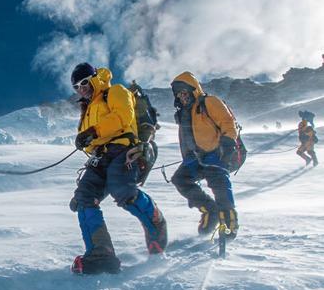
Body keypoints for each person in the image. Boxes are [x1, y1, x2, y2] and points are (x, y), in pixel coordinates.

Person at [69, 63, 167, 275]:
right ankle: (101, 253)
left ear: (95, 78)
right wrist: (86, 139)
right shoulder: (87, 109)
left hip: (123, 148)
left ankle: (156, 223)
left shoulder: (115, 92)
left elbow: (123, 116)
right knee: (84, 197)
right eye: (77, 86)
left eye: (84, 82)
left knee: (121, 188)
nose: (81, 88)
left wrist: (94, 131)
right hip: (100, 156)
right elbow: (90, 139)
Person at [170, 71, 240, 239]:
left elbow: (228, 122)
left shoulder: (208, 102)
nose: (181, 96)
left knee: (219, 184)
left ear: (193, 89)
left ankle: (229, 221)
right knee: (180, 180)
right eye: (178, 94)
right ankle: (210, 210)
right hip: (194, 158)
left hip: (215, 152)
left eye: (184, 92)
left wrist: (228, 142)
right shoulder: (183, 113)